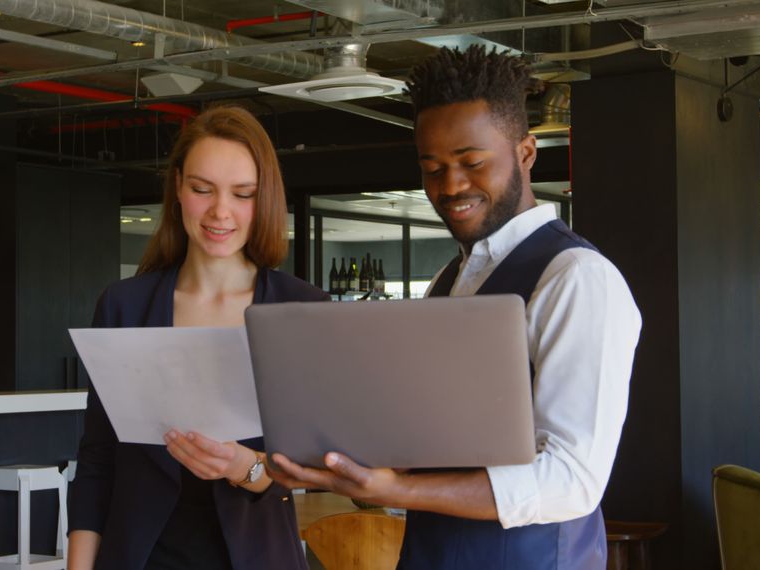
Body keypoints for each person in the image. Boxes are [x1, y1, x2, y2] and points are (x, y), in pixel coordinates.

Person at [269, 46, 642, 569]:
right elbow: (432, 445)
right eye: (433, 168)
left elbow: (571, 481)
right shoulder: (449, 281)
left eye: (472, 162)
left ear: (527, 153)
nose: (451, 186)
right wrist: (350, 464)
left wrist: (400, 490)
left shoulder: (576, 279)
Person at [67, 106, 327, 570]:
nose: (219, 212)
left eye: (242, 194)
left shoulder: (300, 309)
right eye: (201, 189)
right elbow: (98, 460)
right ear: (177, 191)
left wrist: (244, 468)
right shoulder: (123, 305)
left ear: (262, 199)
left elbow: (316, 461)